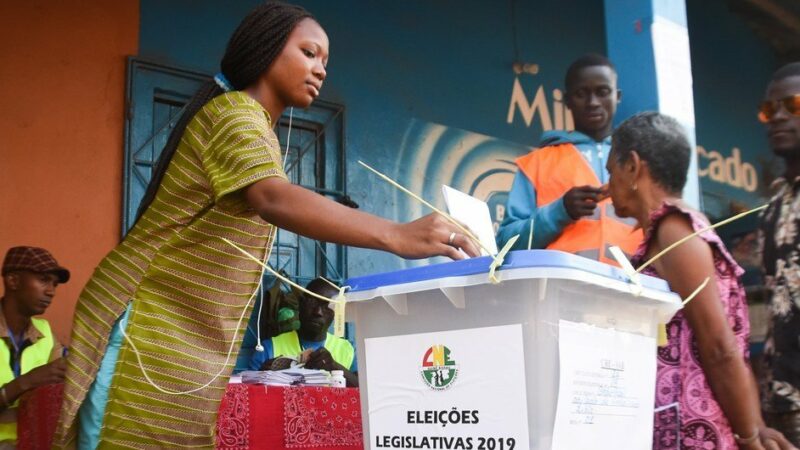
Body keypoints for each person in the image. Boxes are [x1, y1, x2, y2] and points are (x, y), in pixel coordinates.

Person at [54, 3, 479, 449]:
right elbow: (273, 197)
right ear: (267, 49)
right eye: (310, 53)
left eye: (326, 62)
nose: (320, 69)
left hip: (182, 336)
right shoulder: (236, 114)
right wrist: (396, 234)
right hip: (147, 325)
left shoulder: (255, 126)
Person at [606, 112, 794, 450]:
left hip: (689, 430)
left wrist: (750, 435)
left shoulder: (674, 232)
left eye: (611, 171)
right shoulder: (677, 230)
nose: (607, 186)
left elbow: (719, 345)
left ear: (633, 166)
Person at [496, 54, 642, 265]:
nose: (593, 102)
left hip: (635, 292)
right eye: (581, 94)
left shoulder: (639, 161)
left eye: (602, 92)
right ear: (567, 100)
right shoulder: (539, 162)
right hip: (560, 292)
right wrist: (560, 210)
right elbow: (505, 244)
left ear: (617, 96)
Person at [758, 62, 800, 446]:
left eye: (794, 105)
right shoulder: (772, 208)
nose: (780, 116)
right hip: (781, 401)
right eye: (771, 110)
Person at [0, 246, 68, 447]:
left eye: (55, 284)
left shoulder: (45, 333)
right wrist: (27, 381)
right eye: (43, 280)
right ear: (13, 281)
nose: (51, 291)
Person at [249, 278, 358, 387]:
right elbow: (246, 394)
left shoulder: (347, 350)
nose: (318, 312)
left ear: (336, 312)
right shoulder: (269, 348)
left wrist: (334, 366)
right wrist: (261, 377)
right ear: (300, 304)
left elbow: (367, 390)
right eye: (312, 302)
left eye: (328, 306)